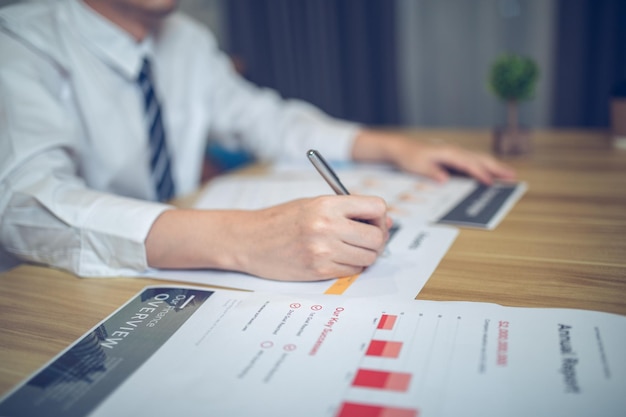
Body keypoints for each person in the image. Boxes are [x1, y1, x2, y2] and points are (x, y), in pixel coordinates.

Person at [0, 0, 515, 282]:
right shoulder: (17, 41)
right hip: (56, 292)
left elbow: (269, 121)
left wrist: (397, 148)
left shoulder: (187, 40)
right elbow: (25, 206)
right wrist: (245, 239)